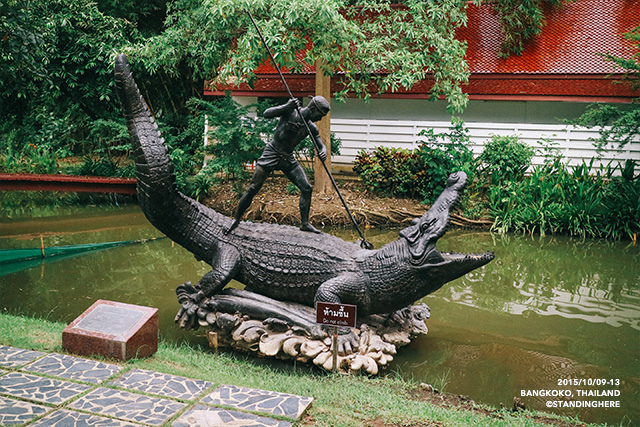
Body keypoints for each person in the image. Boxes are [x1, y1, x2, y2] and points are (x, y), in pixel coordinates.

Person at [226, 95, 330, 234]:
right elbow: (266, 113)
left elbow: (320, 144)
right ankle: (236, 219)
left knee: (306, 188)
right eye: (320, 114)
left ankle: (305, 223)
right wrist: (286, 106)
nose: (320, 118)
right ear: (313, 108)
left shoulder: (311, 127)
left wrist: (324, 151)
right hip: (272, 152)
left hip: (288, 158)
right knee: (253, 187)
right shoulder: (291, 111)